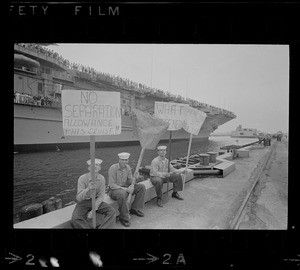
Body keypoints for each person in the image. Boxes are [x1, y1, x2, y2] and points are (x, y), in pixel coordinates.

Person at [71, 158, 116, 229]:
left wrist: (94, 209)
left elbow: (101, 196)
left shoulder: (101, 178)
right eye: (93, 165)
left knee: (112, 211)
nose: (95, 167)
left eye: (97, 165)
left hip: (96, 200)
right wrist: (88, 189)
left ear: (100, 168)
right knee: (75, 219)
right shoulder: (82, 178)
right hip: (83, 202)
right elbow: (79, 198)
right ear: (89, 168)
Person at [108, 152, 146, 227]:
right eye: (122, 160)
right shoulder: (113, 168)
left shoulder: (128, 167)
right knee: (122, 194)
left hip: (125, 188)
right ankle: (123, 217)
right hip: (114, 190)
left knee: (142, 187)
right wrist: (126, 189)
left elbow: (129, 181)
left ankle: (135, 208)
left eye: (126, 160)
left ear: (128, 160)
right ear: (119, 160)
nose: (124, 162)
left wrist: (135, 178)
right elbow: (112, 185)